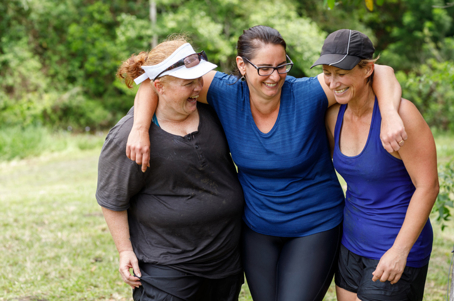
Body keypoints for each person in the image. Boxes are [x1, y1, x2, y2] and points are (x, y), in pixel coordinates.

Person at [125, 26, 407, 301]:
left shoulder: (310, 93)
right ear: (242, 64)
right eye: (265, 68)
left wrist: (391, 114)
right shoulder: (225, 92)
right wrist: (139, 128)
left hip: (314, 224)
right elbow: (155, 80)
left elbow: (380, 71)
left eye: (282, 66)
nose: (275, 76)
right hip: (258, 229)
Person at [96, 36, 245, 301]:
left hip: (224, 262)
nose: (198, 88)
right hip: (167, 265)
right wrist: (124, 250)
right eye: (188, 83)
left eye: (199, 79)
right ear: (159, 88)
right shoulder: (128, 136)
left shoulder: (212, 112)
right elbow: (112, 198)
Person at [315, 29, 439, 301]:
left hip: (393, 246)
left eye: (342, 73)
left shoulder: (401, 116)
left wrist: (399, 251)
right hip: (351, 244)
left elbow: (428, 187)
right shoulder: (334, 115)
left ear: (367, 69)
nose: (333, 83)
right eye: (327, 72)